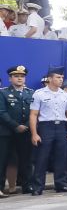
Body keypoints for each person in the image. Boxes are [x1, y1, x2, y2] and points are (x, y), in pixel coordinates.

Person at [29, 66, 67, 194]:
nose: (61, 80)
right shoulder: (39, 94)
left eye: (62, 77)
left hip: (61, 126)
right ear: (49, 79)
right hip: (45, 127)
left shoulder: (65, 95)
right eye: (58, 77)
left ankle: (61, 184)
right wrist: (34, 133)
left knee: (61, 157)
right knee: (42, 157)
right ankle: (38, 187)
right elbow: (33, 115)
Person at [0, 65, 34, 196]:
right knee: (2, 160)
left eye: (22, 76)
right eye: (16, 76)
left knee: (26, 160)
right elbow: (2, 112)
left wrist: (25, 125)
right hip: (6, 131)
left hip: (25, 131)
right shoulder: (3, 92)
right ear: (10, 79)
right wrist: (15, 125)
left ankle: (27, 185)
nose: (20, 79)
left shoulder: (31, 92)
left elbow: (34, 112)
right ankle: (1, 187)